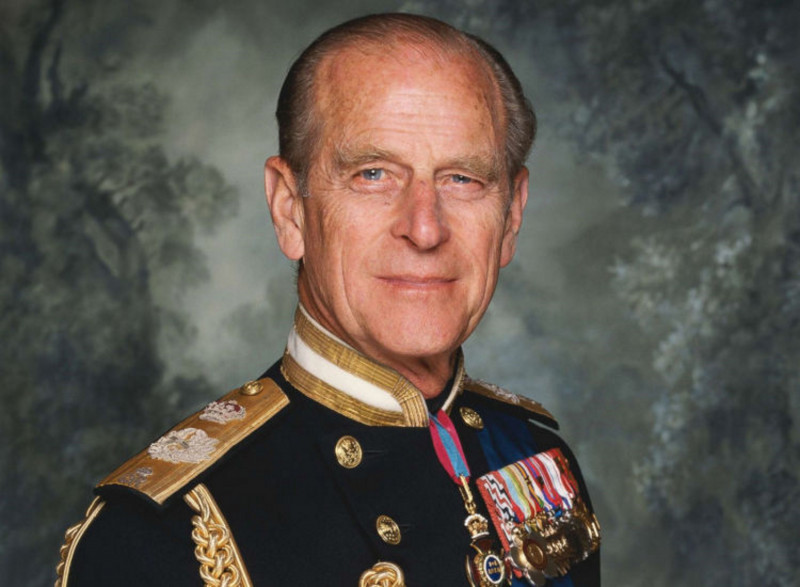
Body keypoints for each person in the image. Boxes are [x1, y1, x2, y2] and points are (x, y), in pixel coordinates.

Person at [55, 13, 600, 587]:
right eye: (373, 174)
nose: (424, 228)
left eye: (463, 179)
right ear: (290, 209)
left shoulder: (533, 456)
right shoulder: (157, 539)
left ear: (511, 216)